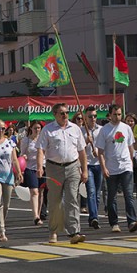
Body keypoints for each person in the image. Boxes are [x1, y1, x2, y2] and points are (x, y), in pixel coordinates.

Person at [36, 103, 88, 244]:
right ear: (55, 115)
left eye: (67, 112)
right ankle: (53, 231)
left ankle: (74, 232)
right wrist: (40, 166)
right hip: (54, 168)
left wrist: (84, 169)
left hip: (72, 167)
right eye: (62, 113)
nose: (65, 115)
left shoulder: (75, 129)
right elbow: (41, 149)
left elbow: (81, 151)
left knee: (72, 199)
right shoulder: (48, 130)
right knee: (55, 201)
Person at [96, 104, 137, 233]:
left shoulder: (126, 128)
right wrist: (103, 167)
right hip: (111, 168)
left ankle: (132, 221)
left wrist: (131, 162)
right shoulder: (104, 130)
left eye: (119, 114)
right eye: (115, 114)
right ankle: (114, 223)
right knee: (112, 197)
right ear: (110, 115)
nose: (117, 117)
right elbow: (100, 152)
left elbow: (130, 147)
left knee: (129, 195)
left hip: (126, 166)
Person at [19, 120, 44, 225]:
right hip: (30, 168)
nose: (37, 130)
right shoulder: (26, 141)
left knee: (41, 192)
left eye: (39, 128)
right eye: (35, 128)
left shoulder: (43, 140)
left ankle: (38, 213)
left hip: (43, 167)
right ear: (31, 129)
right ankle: (35, 216)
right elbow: (22, 153)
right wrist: (24, 157)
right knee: (34, 191)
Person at [82, 106, 103, 229]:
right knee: (91, 191)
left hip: (99, 163)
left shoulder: (101, 130)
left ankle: (93, 216)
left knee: (98, 194)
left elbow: (105, 147)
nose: (93, 118)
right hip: (88, 164)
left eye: (95, 116)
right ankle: (94, 217)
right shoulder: (81, 130)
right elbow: (78, 148)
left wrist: (99, 153)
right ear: (86, 117)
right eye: (90, 116)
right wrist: (86, 141)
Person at [124, 112, 137, 217]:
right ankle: (130, 209)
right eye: (128, 121)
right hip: (127, 162)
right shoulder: (123, 131)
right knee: (129, 187)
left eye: (131, 121)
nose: (130, 123)